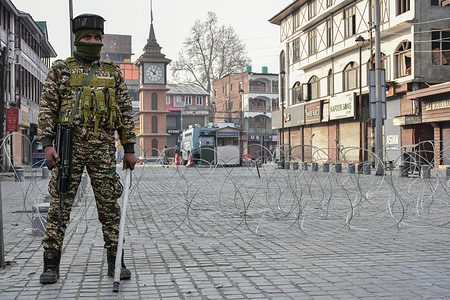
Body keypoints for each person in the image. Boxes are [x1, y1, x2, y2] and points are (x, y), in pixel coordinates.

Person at [37, 13, 137, 284]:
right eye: (87, 38)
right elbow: (47, 108)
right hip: (68, 149)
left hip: (103, 149)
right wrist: (47, 145)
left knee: (109, 208)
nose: (93, 41)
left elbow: (126, 112)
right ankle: (51, 263)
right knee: (60, 205)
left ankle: (116, 260)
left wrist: (129, 147)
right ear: (77, 40)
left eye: (97, 38)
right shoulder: (61, 70)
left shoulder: (112, 72)